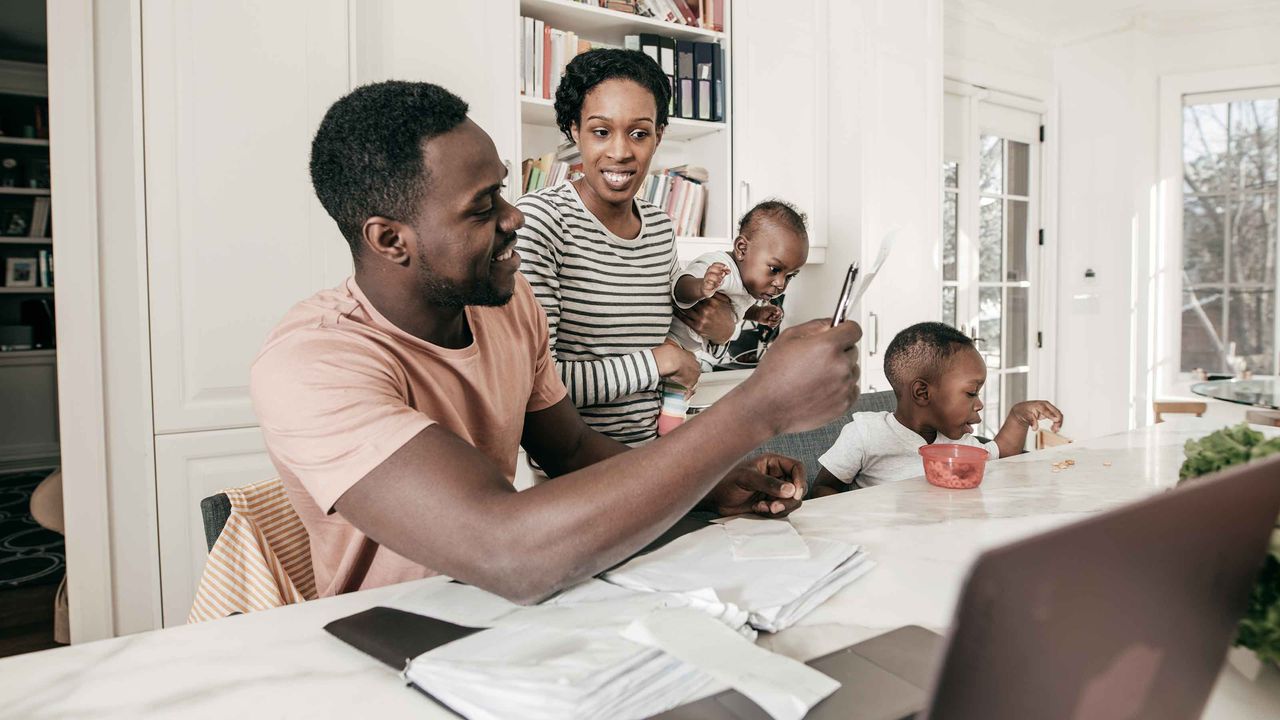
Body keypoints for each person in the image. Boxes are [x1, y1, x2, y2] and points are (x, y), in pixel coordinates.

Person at [250, 80, 863, 604]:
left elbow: (569, 449)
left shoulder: (509, 308)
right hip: (396, 636)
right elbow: (505, 551)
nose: (513, 217)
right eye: (482, 207)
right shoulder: (311, 363)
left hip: (516, 615)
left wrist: (713, 482)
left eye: (504, 191)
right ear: (390, 240)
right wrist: (759, 408)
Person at [516, 49, 738, 446]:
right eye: (601, 131)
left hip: (655, 457)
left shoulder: (659, 227)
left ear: (659, 136)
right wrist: (656, 362)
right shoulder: (541, 221)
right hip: (571, 471)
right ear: (573, 130)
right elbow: (534, 384)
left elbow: (683, 349)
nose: (620, 152)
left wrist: (720, 332)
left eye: (639, 133)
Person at [812, 322, 1062, 494]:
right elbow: (823, 489)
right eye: (971, 393)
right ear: (923, 393)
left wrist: (1018, 417)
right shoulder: (866, 433)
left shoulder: (961, 445)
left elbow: (1003, 454)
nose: (979, 403)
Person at [658, 200, 810, 435]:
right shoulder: (721, 268)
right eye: (774, 269)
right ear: (741, 248)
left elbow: (737, 309)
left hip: (687, 352)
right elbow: (679, 288)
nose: (780, 284)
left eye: (790, 276)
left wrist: (757, 314)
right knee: (676, 398)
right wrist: (701, 286)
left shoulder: (748, 287)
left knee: (680, 396)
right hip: (669, 341)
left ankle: (668, 434)